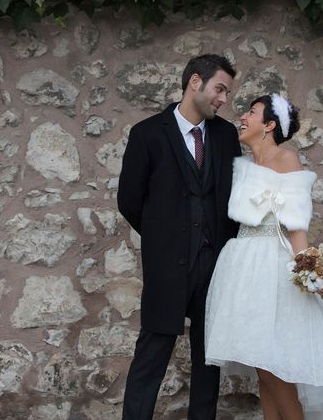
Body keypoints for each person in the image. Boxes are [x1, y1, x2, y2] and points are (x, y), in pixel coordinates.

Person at [205, 93, 323, 420]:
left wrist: (309, 271)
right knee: (261, 365)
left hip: (270, 268)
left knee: (274, 366)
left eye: (251, 112)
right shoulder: (245, 165)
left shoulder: (287, 160)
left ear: (269, 125)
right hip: (241, 267)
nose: (243, 117)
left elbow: (296, 226)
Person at [117, 54, 243, 420]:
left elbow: (231, 197)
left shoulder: (225, 135)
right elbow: (129, 201)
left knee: (208, 363)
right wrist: (164, 239)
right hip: (167, 267)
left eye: (227, 93)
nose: (223, 99)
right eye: (219, 89)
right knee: (151, 357)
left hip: (213, 266)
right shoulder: (147, 134)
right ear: (195, 83)